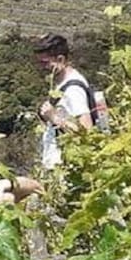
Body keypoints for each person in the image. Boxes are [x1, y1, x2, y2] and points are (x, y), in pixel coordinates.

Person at [34, 34, 94, 169]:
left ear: (60, 59)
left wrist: (53, 117)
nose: (40, 67)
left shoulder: (73, 89)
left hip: (66, 167)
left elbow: (86, 131)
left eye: (45, 63)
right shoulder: (61, 84)